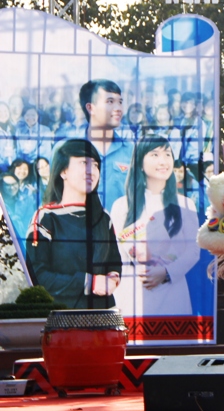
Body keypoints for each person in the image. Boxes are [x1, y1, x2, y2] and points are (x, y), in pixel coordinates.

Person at [109, 137, 201, 317]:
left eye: (167, 154)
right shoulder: (122, 205)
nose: (163, 161)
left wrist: (166, 272)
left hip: (173, 296)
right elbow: (117, 254)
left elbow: (193, 251)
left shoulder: (185, 204)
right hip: (132, 295)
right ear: (140, 163)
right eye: (155, 155)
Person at [24, 139, 122, 309]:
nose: (92, 171)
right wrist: (89, 282)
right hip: (63, 315)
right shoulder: (46, 217)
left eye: (96, 165)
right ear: (63, 171)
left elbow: (114, 262)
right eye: (84, 163)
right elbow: (37, 275)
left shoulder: (103, 217)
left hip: (104, 314)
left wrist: (112, 278)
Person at [76, 79, 134, 210]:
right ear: (91, 108)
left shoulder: (131, 152)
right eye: (110, 101)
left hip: (119, 223)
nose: (118, 108)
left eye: (120, 102)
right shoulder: (68, 150)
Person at [1, 159, 38, 244]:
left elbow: (29, 219)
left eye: (14, 184)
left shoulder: (27, 196)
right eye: (7, 185)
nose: (11, 187)